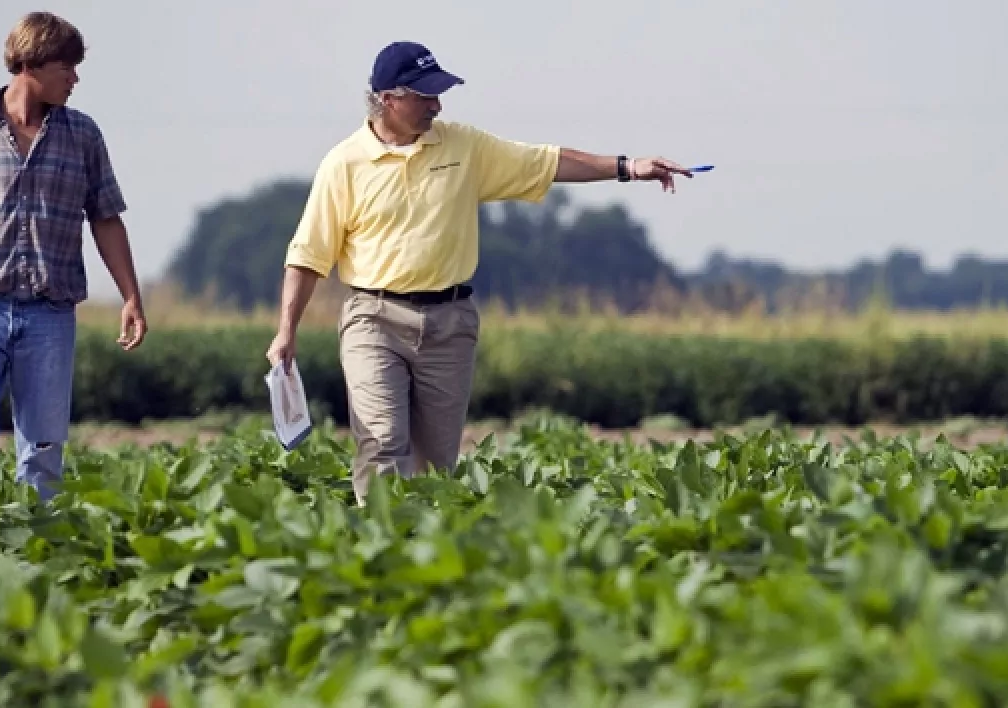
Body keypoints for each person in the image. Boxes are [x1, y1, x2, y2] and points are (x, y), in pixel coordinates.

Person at [268, 41, 692, 499]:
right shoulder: (343, 164)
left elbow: (546, 162)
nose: (437, 105)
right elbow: (308, 255)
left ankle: (426, 536)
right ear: (388, 99)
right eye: (426, 96)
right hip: (374, 319)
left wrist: (628, 167)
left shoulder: (464, 146)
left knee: (436, 463)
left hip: (450, 322)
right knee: (382, 439)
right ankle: (379, 535)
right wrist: (286, 332)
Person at [0, 11, 147, 500]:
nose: (75, 78)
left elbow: (106, 218)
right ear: (31, 64)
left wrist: (131, 296)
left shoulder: (83, 136)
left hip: (49, 312)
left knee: (43, 448)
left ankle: (38, 539)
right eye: (67, 67)